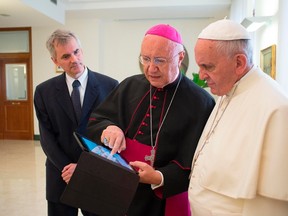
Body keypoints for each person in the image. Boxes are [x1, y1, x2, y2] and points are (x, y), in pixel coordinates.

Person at [85, 24, 215, 216]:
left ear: (180, 58)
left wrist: (159, 177)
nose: (150, 68)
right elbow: (97, 120)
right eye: (145, 59)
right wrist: (109, 128)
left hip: (160, 199)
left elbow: (200, 161)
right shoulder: (130, 85)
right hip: (118, 187)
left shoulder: (201, 102)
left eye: (159, 60)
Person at [188, 19, 288, 216]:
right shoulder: (229, 90)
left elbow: (271, 206)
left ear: (239, 63)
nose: (201, 75)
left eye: (208, 66)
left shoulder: (277, 109)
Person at [34, 29, 118, 216]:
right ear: (55, 61)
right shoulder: (43, 92)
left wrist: (85, 168)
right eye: (65, 56)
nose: (74, 59)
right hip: (60, 175)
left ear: (82, 50)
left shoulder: (111, 86)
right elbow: (47, 139)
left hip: (98, 175)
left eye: (76, 52)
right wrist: (68, 168)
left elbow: (115, 134)